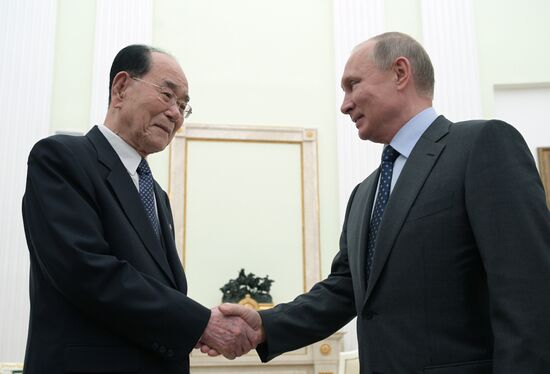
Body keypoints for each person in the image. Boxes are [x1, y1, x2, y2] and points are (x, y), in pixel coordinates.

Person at [213, 32, 550, 373]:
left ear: (400, 73)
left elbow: (529, 291)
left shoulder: (481, 145)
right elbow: (343, 291)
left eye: (353, 84)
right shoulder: (364, 194)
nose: (344, 104)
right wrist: (265, 325)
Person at [22, 44, 261, 374]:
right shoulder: (62, 158)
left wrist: (195, 325)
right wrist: (201, 323)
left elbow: (160, 288)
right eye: (167, 95)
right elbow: (88, 272)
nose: (176, 113)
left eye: (183, 106)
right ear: (121, 88)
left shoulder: (156, 195)